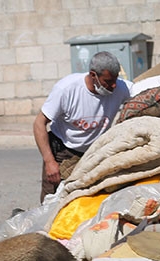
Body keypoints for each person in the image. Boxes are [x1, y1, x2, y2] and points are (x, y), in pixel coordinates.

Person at [33, 51, 132, 202]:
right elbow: (39, 123)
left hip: (93, 152)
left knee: (91, 199)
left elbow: (145, 91)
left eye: (115, 80)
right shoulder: (66, 89)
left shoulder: (120, 87)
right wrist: (49, 161)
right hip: (62, 151)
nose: (113, 85)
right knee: (53, 202)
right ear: (93, 75)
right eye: (107, 81)